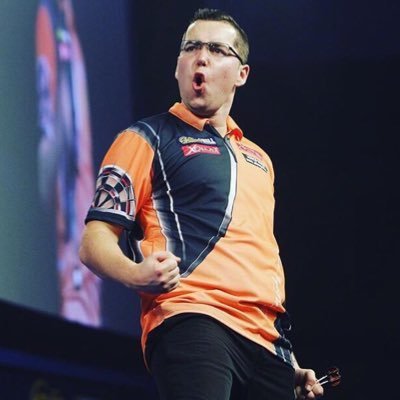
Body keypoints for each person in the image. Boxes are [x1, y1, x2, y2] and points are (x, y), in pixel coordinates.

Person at [80, 8, 324, 400]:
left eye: (216, 49)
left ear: (241, 73)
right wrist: (135, 273)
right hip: (193, 316)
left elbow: (258, 259)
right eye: (191, 47)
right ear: (178, 66)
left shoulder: (260, 160)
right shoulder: (145, 138)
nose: (201, 57)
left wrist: (289, 359)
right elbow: (94, 241)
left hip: (268, 343)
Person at [36, 0, 101, 325]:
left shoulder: (71, 28)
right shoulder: (47, 23)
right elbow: (44, 178)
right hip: (71, 270)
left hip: (93, 256)